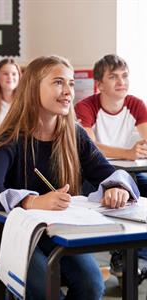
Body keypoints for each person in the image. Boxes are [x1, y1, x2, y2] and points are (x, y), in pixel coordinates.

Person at [0, 55, 139, 300]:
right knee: (45, 289)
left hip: (60, 230)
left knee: (92, 285)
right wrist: (31, 201)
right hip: (10, 233)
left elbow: (109, 173)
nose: (68, 92)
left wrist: (117, 187)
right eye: (58, 83)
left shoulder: (73, 133)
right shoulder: (11, 137)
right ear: (33, 89)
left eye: (71, 84)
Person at [75, 54, 147, 281]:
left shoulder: (135, 104)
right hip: (95, 175)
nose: (121, 82)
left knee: (139, 185)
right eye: (113, 77)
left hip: (131, 172)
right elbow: (91, 146)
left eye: (124, 76)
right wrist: (127, 152)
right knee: (125, 189)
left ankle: (132, 256)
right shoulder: (85, 106)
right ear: (100, 85)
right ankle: (122, 256)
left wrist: (135, 151)